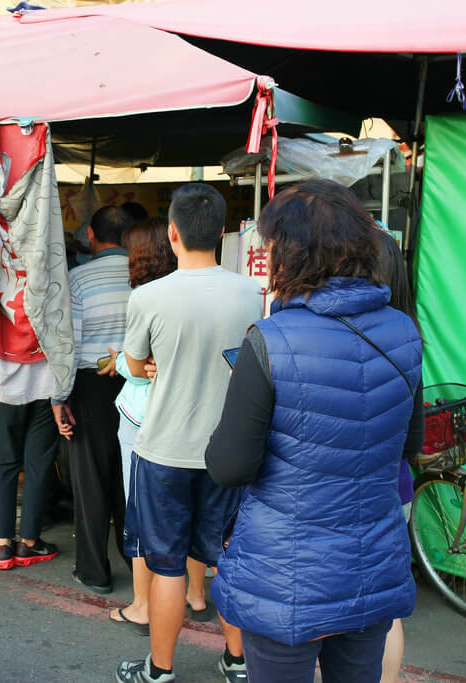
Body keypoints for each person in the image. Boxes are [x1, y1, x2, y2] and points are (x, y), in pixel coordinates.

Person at [205, 179, 424, 683]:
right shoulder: (404, 332)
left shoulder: (271, 340)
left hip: (287, 573)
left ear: (293, 253)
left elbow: (230, 465)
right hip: (372, 563)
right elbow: (407, 447)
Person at [116, 184, 261, 683]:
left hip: (163, 451)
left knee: (167, 564)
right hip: (229, 452)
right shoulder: (251, 293)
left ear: (172, 232)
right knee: (227, 559)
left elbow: (135, 365)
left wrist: (154, 362)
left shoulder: (148, 297)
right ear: (221, 232)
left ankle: (159, 671)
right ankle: (238, 661)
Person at [51, 205, 134, 594]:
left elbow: (69, 343)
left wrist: (59, 397)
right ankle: (138, 563)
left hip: (90, 387)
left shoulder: (78, 279)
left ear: (91, 235)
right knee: (130, 477)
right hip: (137, 383)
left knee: (91, 482)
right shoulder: (146, 273)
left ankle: (94, 572)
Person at [105, 216, 175, 635]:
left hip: (141, 416)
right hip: (184, 415)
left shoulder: (146, 296)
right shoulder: (204, 291)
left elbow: (135, 366)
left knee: (141, 512)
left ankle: (143, 606)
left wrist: (117, 362)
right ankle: (191, 596)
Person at [374, 228, 420, 683]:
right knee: (385, 608)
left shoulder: (343, 337)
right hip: (396, 486)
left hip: (352, 493)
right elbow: (413, 442)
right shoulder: (410, 338)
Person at [0, 394, 61, 570]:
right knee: (38, 464)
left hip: (5, 384)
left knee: (6, 461)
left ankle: (3, 546)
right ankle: (28, 543)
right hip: (44, 384)